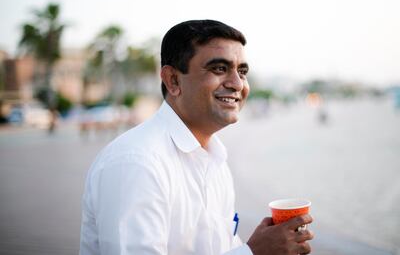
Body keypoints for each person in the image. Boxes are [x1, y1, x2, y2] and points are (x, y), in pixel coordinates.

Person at [79, 20, 314, 255]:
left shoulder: (215, 160)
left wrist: (263, 246)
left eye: (242, 71)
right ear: (173, 80)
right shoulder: (136, 162)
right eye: (219, 69)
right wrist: (253, 252)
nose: (237, 83)